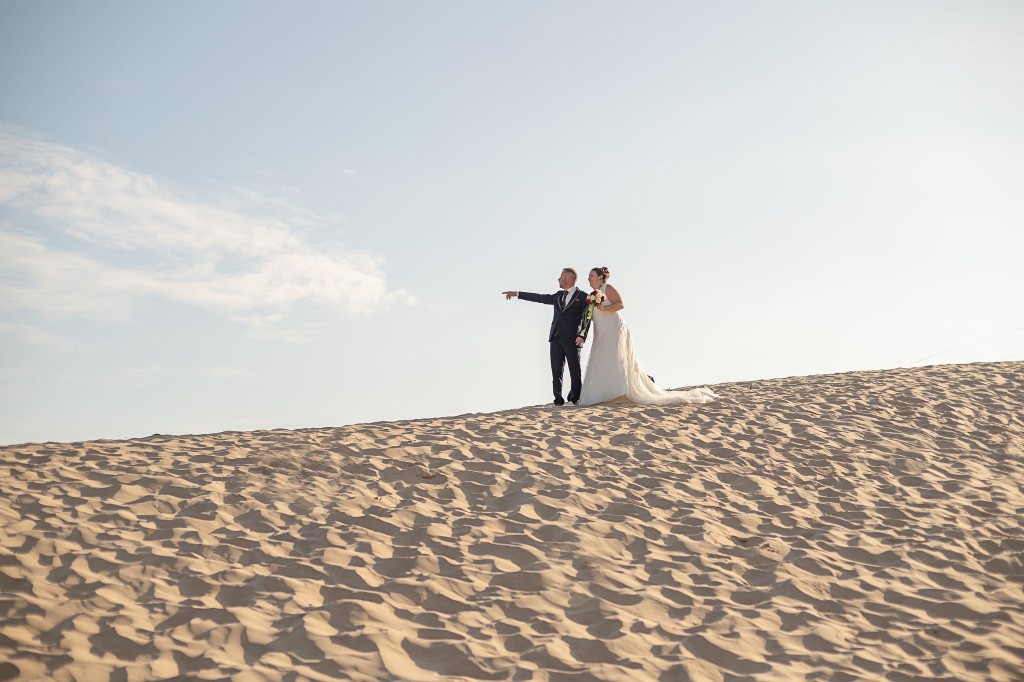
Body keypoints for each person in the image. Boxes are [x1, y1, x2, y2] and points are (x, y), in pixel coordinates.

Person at [578, 266, 718, 407]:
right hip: (601, 332)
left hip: (614, 329)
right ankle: (603, 394)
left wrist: (604, 308)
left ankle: (619, 393)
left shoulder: (607, 288)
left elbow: (620, 304)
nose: (588, 278)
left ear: (600, 278)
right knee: (602, 357)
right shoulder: (592, 295)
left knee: (615, 357)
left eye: (591, 275)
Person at [502, 268, 593, 405]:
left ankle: (575, 397)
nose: (558, 279)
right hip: (555, 338)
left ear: (568, 278)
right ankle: (558, 399)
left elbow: (587, 317)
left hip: (573, 339)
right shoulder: (557, 295)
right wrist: (517, 294)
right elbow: (540, 298)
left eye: (560, 276)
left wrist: (582, 335)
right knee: (556, 370)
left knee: (574, 369)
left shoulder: (582, 297)